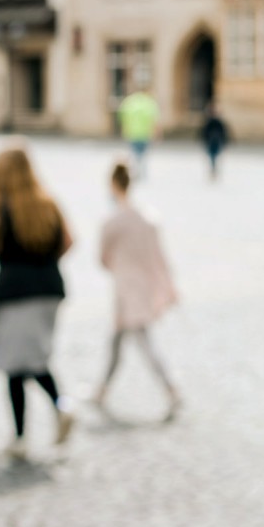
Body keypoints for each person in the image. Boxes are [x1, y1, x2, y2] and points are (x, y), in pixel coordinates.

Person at [0, 143, 75, 459]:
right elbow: (69, 242)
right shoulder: (47, 203)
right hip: (50, 288)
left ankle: (42, 422)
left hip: (15, 292)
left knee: (17, 364)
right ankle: (49, 417)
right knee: (32, 359)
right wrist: (43, 261)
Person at [93, 159, 182, 419]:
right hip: (141, 286)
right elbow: (159, 258)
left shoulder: (112, 222)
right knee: (118, 341)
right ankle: (102, 389)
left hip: (125, 289)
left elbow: (102, 259)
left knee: (142, 342)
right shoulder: (148, 219)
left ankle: (171, 388)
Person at [117, 87, 159, 177]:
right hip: (145, 133)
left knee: (134, 153)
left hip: (132, 132)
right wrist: (155, 132)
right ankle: (141, 171)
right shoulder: (149, 102)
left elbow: (122, 116)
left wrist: (124, 129)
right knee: (143, 154)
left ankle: (135, 171)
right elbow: (154, 119)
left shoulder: (129, 102)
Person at [201, 101, 230, 180]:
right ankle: (213, 169)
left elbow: (223, 132)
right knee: (212, 156)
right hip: (212, 142)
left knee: (214, 156)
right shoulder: (210, 122)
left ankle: (214, 169)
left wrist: (225, 141)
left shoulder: (217, 122)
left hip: (216, 142)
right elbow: (205, 133)